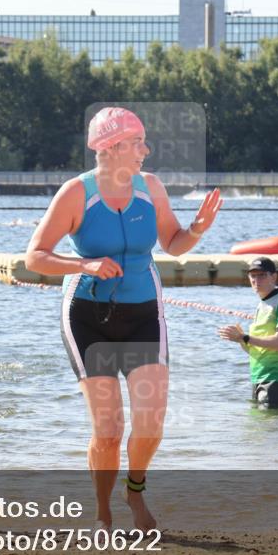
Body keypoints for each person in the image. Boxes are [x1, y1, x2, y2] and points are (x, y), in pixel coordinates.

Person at [25, 106, 222, 532]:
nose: (145, 151)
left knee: (151, 421)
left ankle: (135, 492)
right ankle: (101, 511)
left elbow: (173, 243)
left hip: (143, 312)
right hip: (87, 316)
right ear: (111, 148)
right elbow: (35, 256)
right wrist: (86, 266)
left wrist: (198, 230)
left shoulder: (150, 188)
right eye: (137, 143)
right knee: (110, 428)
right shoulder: (77, 194)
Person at [218, 257, 278, 409]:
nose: (256, 280)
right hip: (258, 377)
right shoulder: (261, 305)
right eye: (253, 275)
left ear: (274, 277)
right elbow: (254, 349)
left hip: (276, 377)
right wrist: (239, 340)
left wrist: (245, 337)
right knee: (259, 427)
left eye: (262, 275)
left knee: (267, 427)